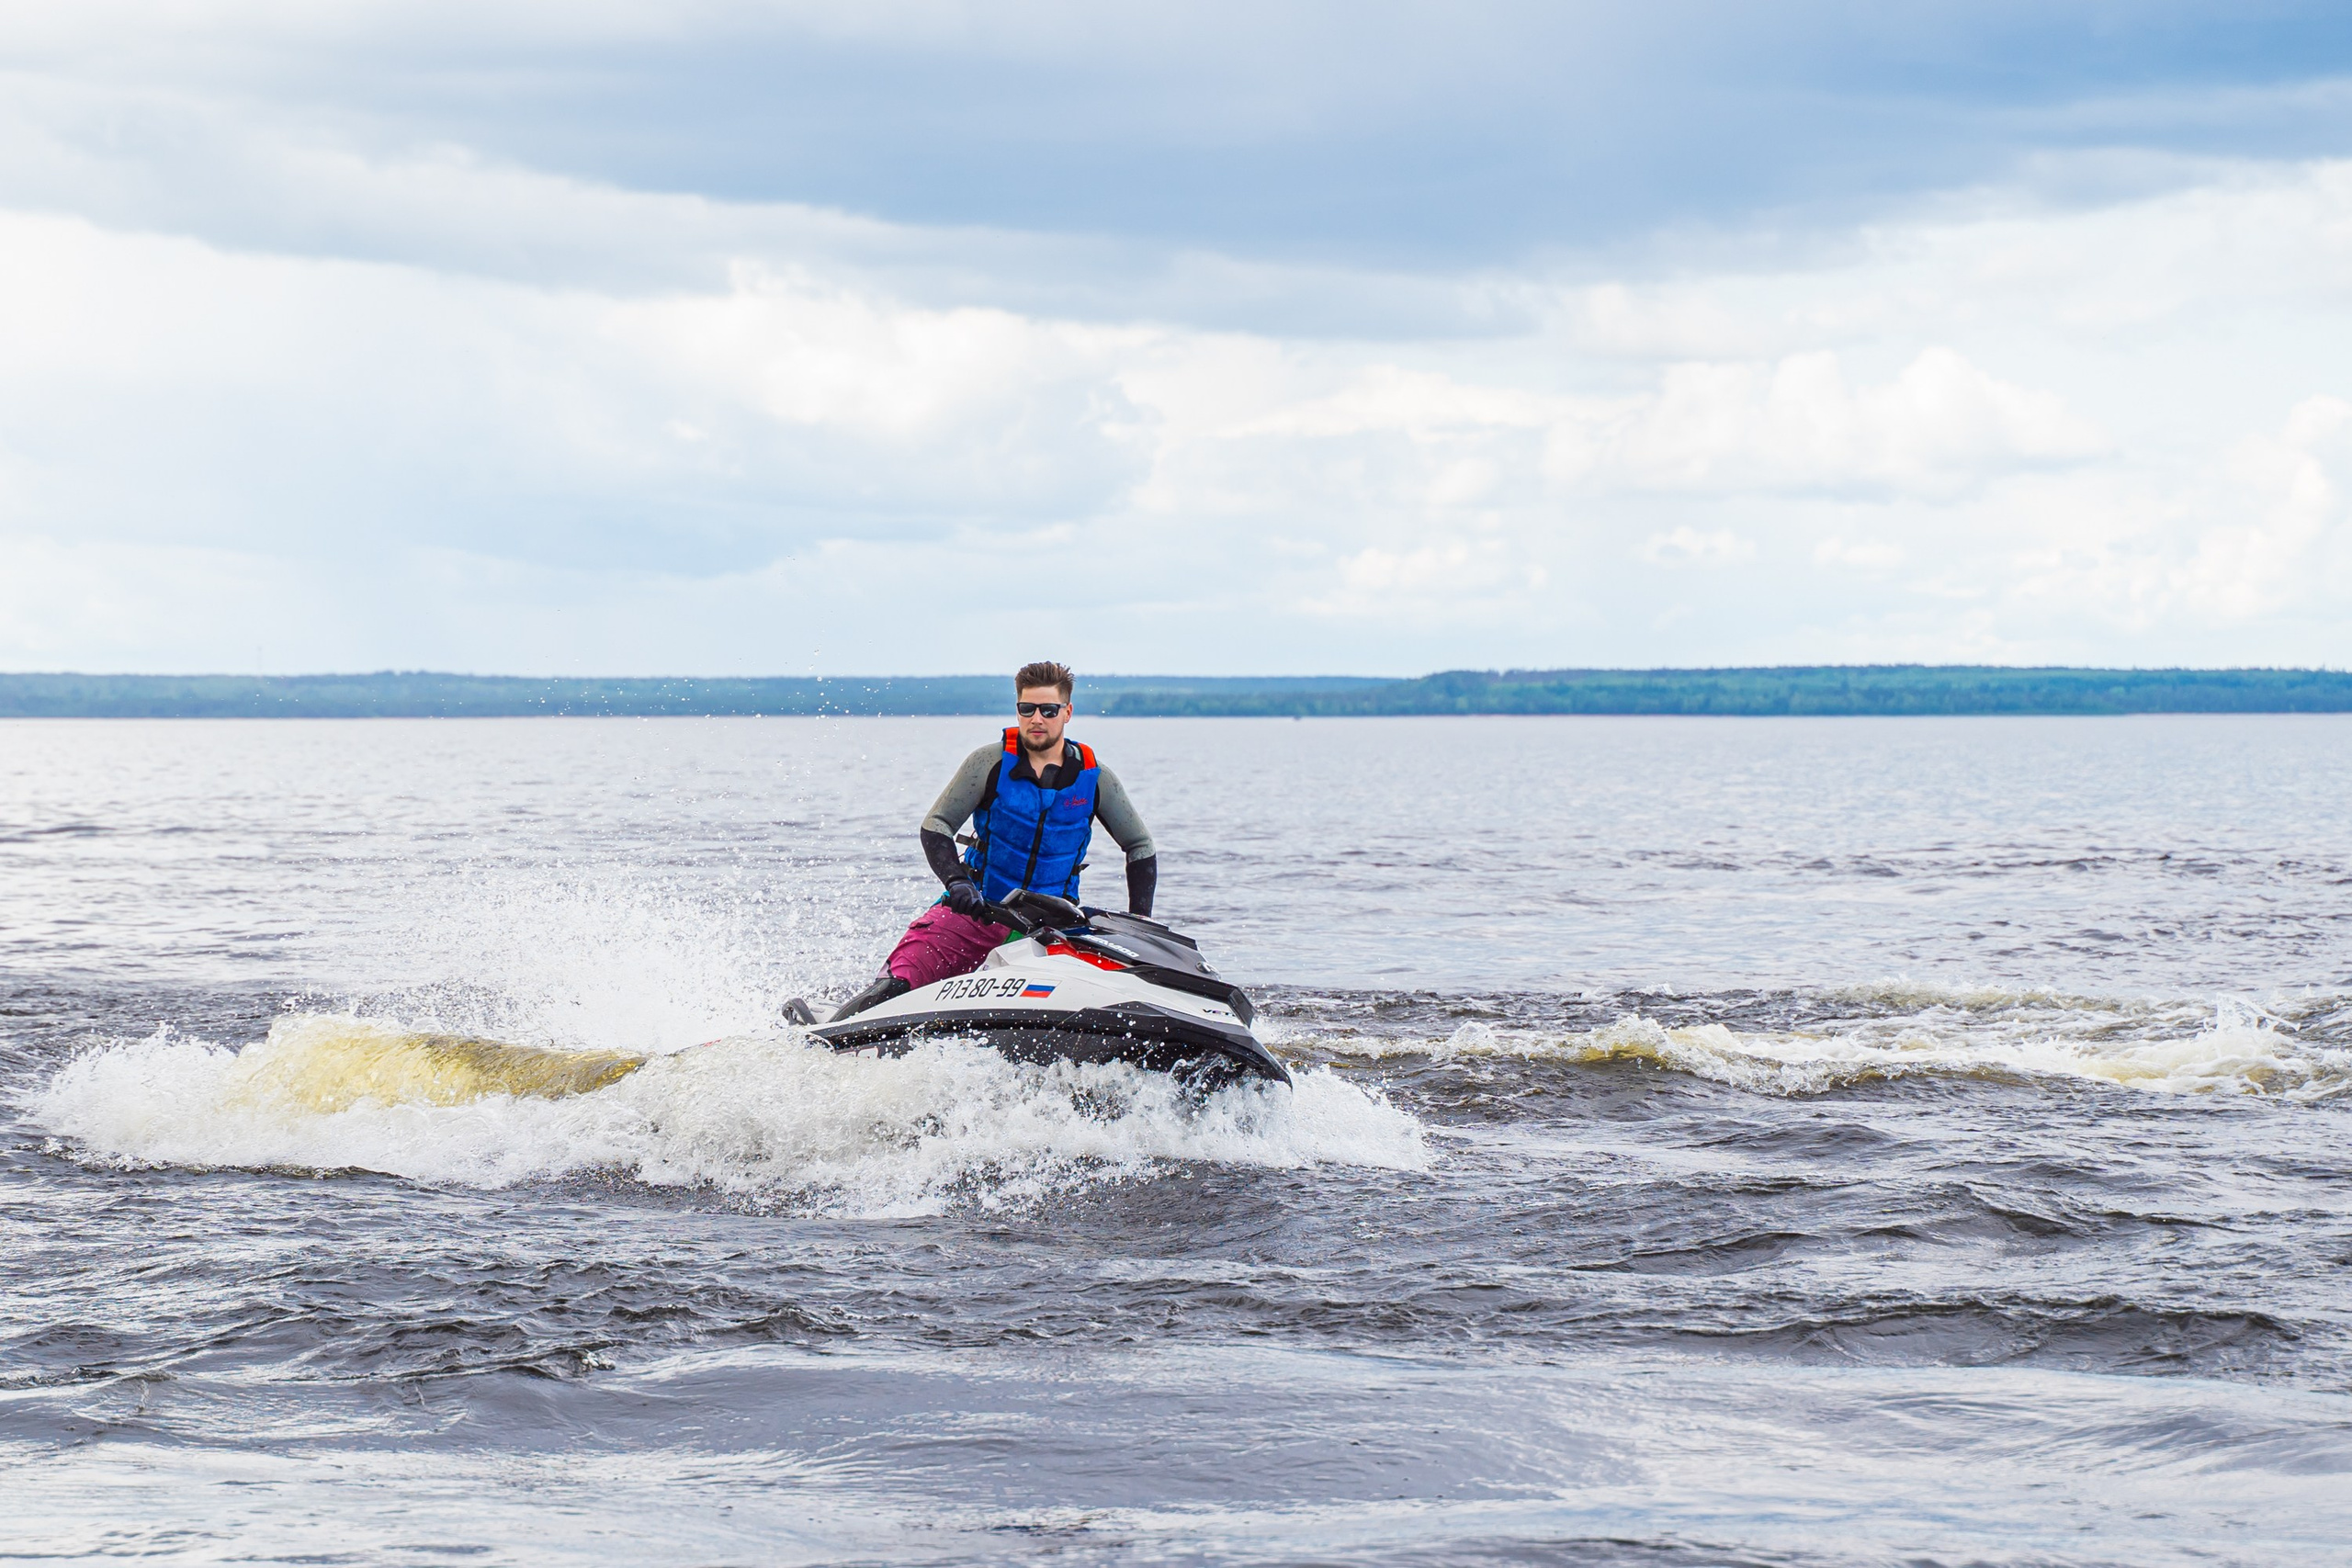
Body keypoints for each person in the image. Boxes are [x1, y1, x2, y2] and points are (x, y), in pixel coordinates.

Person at [829, 660, 1158, 1021]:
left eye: (1048, 710)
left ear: (1067, 712)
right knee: (895, 989)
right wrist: (956, 882)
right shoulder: (989, 763)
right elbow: (936, 825)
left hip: (1050, 931)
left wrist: (1137, 924)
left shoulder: (1096, 780)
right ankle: (828, 1032)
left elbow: (1140, 847)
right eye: (1026, 709)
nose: (1037, 719)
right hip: (976, 913)